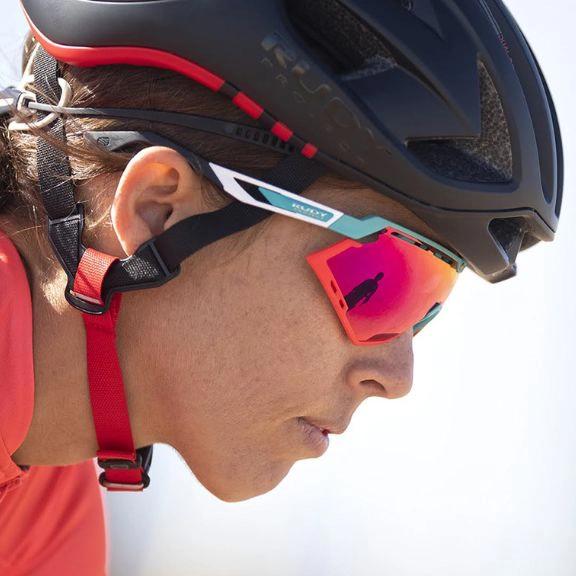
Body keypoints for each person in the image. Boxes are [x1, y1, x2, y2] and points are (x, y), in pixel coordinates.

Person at [0, 0, 562, 574]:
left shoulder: (42, 508)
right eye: (383, 282)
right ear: (157, 211)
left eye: (426, 303)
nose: (397, 378)